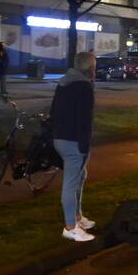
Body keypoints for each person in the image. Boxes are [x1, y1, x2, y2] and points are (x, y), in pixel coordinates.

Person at [51, 51, 96, 242]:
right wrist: (84, 146)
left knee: (80, 176)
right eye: (94, 65)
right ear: (90, 68)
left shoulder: (64, 83)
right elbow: (84, 120)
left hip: (60, 138)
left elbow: (54, 111)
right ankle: (70, 227)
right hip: (74, 141)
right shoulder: (84, 88)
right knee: (71, 183)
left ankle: (78, 217)